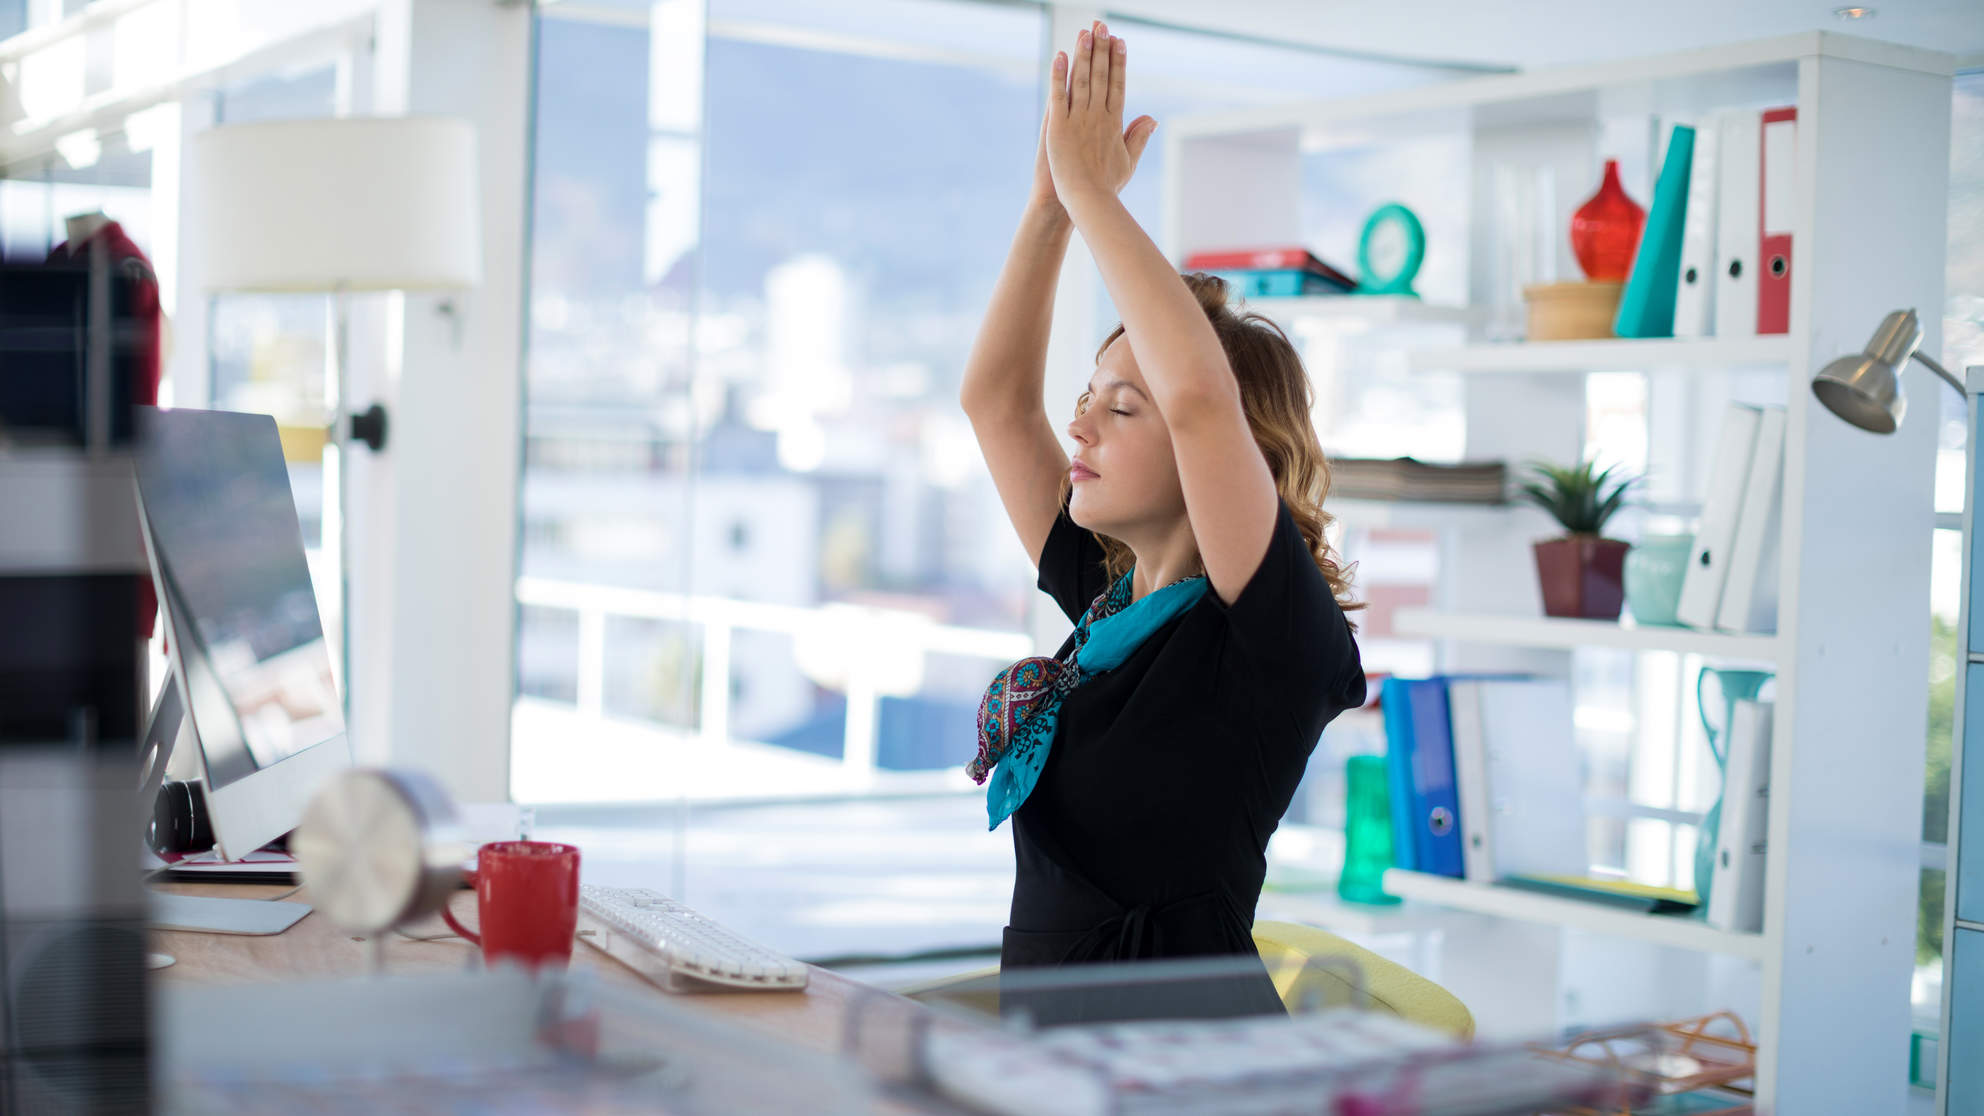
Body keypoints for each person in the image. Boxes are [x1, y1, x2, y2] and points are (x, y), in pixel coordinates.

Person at [957, 19, 1368, 1022]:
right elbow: (996, 402)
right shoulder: (1108, 601)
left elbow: (1199, 398)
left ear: (1215, 457)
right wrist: (1052, 206)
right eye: (1092, 390)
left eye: (1121, 405)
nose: (1081, 420)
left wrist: (1097, 195)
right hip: (1060, 1063)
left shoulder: (1269, 637)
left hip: (1187, 1072)